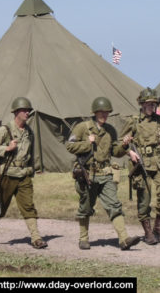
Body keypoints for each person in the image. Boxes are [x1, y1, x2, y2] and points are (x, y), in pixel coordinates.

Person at [66, 96, 140, 250]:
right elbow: (69, 146)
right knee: (86, 206)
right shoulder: (82, 127)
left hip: (106, 173)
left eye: (107, 112)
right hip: (88, 174)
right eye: (101, 112)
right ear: (95, 112)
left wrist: (125, 146)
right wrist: (88, 143)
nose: (104, 115)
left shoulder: (110, 130)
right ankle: (83, 238)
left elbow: (115, 151)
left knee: (114, 204)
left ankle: (124, 239)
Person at [120, 87, 160, 245]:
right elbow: (119, 142)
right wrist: (129, 152)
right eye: (148, 104)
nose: (151, 107)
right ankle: (148, 231)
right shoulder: (133, 121)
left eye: (153, 104)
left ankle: (158, 225)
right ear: (141, 104)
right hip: (141, 164)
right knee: (144, 199)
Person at [0, 97, 48, 249]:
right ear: (16, 112)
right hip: (7, 174)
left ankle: (36, 238)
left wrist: (31, 170)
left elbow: (31, 155)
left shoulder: (29, 132)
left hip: (23, 175)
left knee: (28, 206)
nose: (27, 113)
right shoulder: (5, 130)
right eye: (24, 110)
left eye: (28, 110)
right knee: (0, 205)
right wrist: (6, 149)